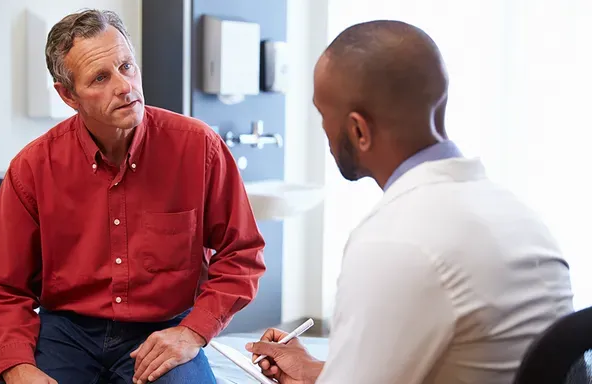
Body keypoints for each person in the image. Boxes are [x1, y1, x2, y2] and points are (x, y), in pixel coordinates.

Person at [246, 20, 574, 384]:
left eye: (324, 116)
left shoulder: (395, 240)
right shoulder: (517, 215)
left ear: (358, 131)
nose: (323, 131)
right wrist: (313, 373)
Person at [0, 9, 266, 384]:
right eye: (100, 77)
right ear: (68, 95)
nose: (124, 86)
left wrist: (193, 332)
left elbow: (241, 255)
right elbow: (0, 286)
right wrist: (16, 365)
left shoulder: (199, 147)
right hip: (66, 332)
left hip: (162, 327)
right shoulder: (32, 168)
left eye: (127, 66)